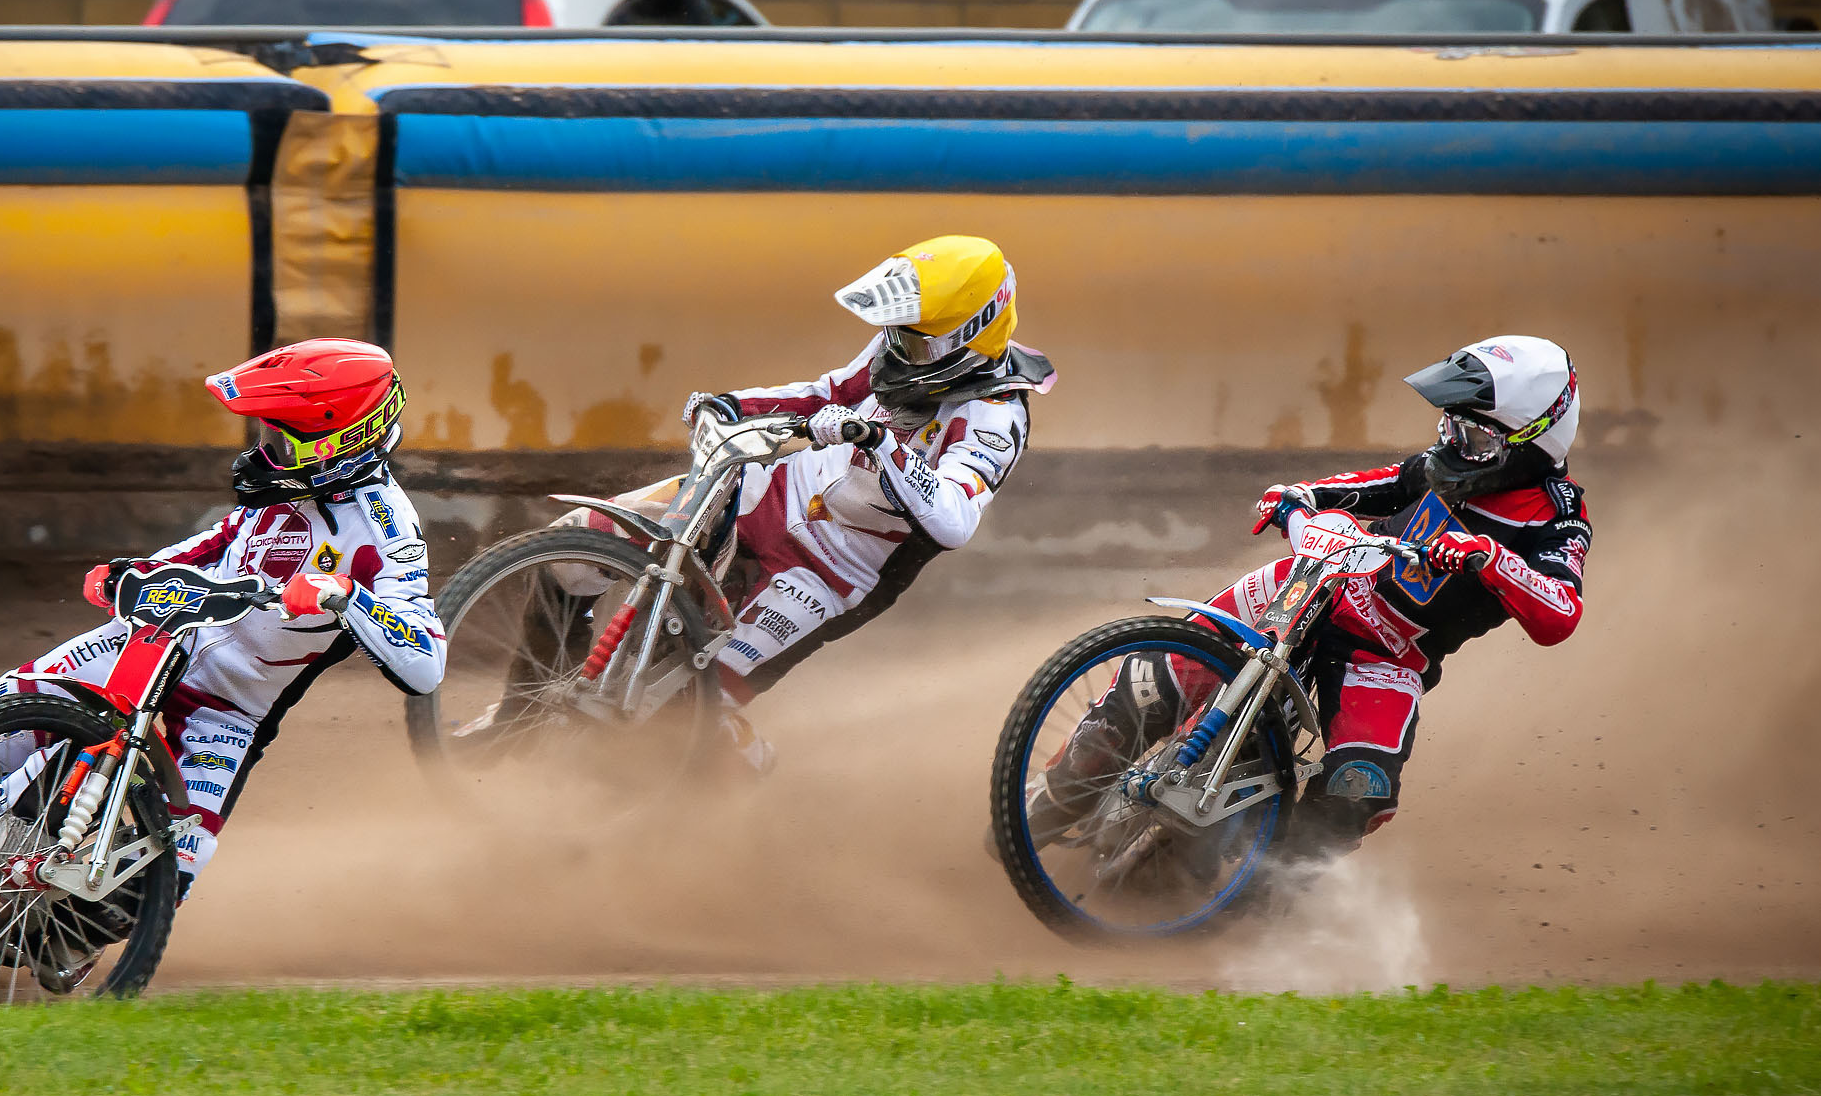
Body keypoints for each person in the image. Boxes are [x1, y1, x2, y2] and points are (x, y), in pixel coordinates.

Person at [0, 338, 445, 961]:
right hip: (152, 642)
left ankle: (24, 944)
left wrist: (344, 598)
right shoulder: (286, 488)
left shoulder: (388, 530)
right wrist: (133, 570)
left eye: (281, 437)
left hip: (228, 713)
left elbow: (426, 660)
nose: (264, 450)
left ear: (340, 439)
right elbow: (213, 544)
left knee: (174, 866)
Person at [1040, 333, 1589, 860]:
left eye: (1471, 436)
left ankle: (1268, 894)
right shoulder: (1447, 465)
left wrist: (1492, 560)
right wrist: (1303, 494)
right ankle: (1045, 807)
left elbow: (1561, 613)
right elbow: (1390, 482)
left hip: (1389, 654)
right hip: (1317, 582)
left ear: (1531, 442)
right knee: (1149, 689)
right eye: (1449, 424)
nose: (1449, 443)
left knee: (1359, 790)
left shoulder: (1559, 517)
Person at [564, 234, 1054, 771]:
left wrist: (881, 443)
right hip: (766, 492)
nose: (897, 350)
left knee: (686, 717)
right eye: (896, 335)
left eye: (915, 343)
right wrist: (732, 405)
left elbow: (956, 521)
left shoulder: (996, 416)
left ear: (970, 338)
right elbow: (828, 391)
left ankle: (737, 774)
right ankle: (517, 716)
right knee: (573, 544)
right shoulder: (902, 347)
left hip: (831, 575)